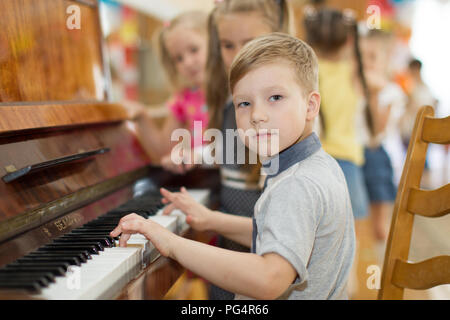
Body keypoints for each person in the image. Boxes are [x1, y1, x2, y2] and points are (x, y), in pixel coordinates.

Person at [110, 33, 355, 300]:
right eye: (244, 103)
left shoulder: (297, 184)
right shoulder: (316, 164)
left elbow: (269, 279)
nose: (257, 116)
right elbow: (278, 233)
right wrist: (210, 219)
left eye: (275, 97)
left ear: (310, 106)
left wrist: (172, 243)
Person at [160, 0, 292, 300]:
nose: (239, 54)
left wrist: (208, 219)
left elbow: (276, 231)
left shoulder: (282, 115)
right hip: (233, 246)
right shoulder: (232, 104)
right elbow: (232, 148)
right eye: (228, 45)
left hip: (264, 260)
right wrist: (196, 155)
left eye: (251, 43)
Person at [126, 11, 209, 162]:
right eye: (178, 58)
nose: (187, 62)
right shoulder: (183, 99)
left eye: (194, 50)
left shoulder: (234, 92)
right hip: (200, 179)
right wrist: (141, 116)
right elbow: (164, 151)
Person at [360, 30, 406, 255]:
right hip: (353, 154)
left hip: (377, 156)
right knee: (358, 221)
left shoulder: (390, 92)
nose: (366, 62)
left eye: (372, 56)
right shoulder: (353, 87)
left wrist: (374, 94)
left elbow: (377, 130)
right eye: (361, 56)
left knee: (379, 226)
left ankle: (387, 268)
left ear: (386, 59)